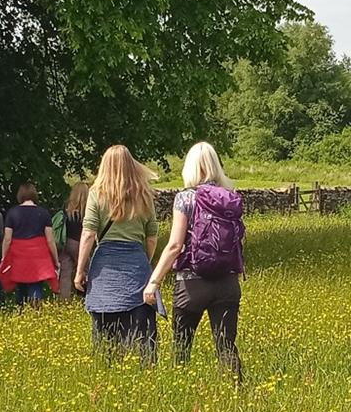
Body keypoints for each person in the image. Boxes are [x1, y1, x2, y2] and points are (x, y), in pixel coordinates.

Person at [144, 142, 245, 380]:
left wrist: (154, 281)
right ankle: (238, 395)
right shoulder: (230, 198)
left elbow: (175, 245)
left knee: (181, 346)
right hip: (228, 282)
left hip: (191, 284)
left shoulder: (185, 198)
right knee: (226, 346)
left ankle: (179, 394)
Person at [74, 146, 159, 364]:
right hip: (137, 267)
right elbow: (151, 237)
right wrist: (144, 262)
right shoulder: (144, 194)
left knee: (105, 337)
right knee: (143, 339)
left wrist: (80, 271)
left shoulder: (96, 194)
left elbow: (88, 234)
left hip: (105, 270)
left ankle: (107, 370)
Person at [0, 183, 60, 308]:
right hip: (39, 255)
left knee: (20, 283)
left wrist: (4, 257)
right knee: (36, 284)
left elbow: (7, 239)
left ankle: (21, 311)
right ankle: (35, 312)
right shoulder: (43, 213)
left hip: (19, 254)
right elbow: (50, 240)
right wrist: (55, 260)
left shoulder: (12, 213)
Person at [58, 182, 90, 300]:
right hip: (79, 244)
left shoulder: (67, 209)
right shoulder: (86, 212)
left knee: (65, 272)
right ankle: (84, 295)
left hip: (66, 243)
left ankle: (64, 299)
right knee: (86, 269)